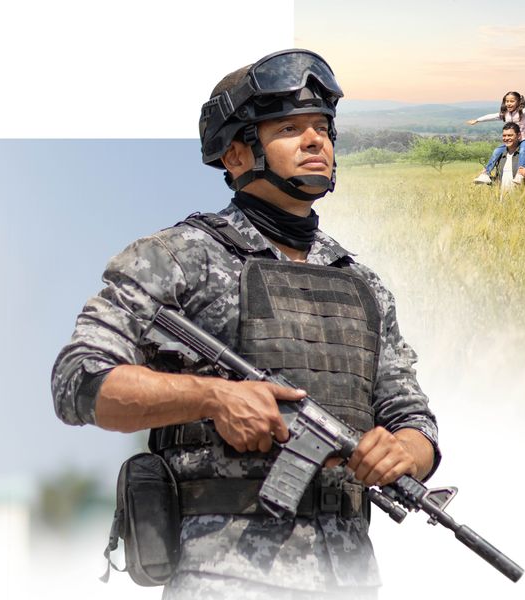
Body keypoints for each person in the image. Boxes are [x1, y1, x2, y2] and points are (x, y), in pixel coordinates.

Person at [51, 49, 440, 599]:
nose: (316, 141)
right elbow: (77, 380)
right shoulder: (178, 257)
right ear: (236, 155)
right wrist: (214, 399)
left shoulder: (363, 284)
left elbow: (413, 417)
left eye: (322, 127)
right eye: (289, 128)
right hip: (224, 573)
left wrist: (405, 451)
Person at [466, 91, 525, 184]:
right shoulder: (505, 115)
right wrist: (477, 120)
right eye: (507, 101)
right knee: (497, 151)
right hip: (512, 141)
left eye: (512, 101)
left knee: (523, 151)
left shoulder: (522, 112)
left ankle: (520, 174)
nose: (509, 103)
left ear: (518, 102)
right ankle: (486, 173)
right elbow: (491, 116)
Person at [482, 122, 525, 191]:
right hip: (503, 200)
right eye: (504, 135)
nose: (506, 138)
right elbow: (499, 181)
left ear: (519, 136)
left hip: (524, 200)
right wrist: (488, 178)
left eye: (510, 135)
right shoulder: (500, 155)